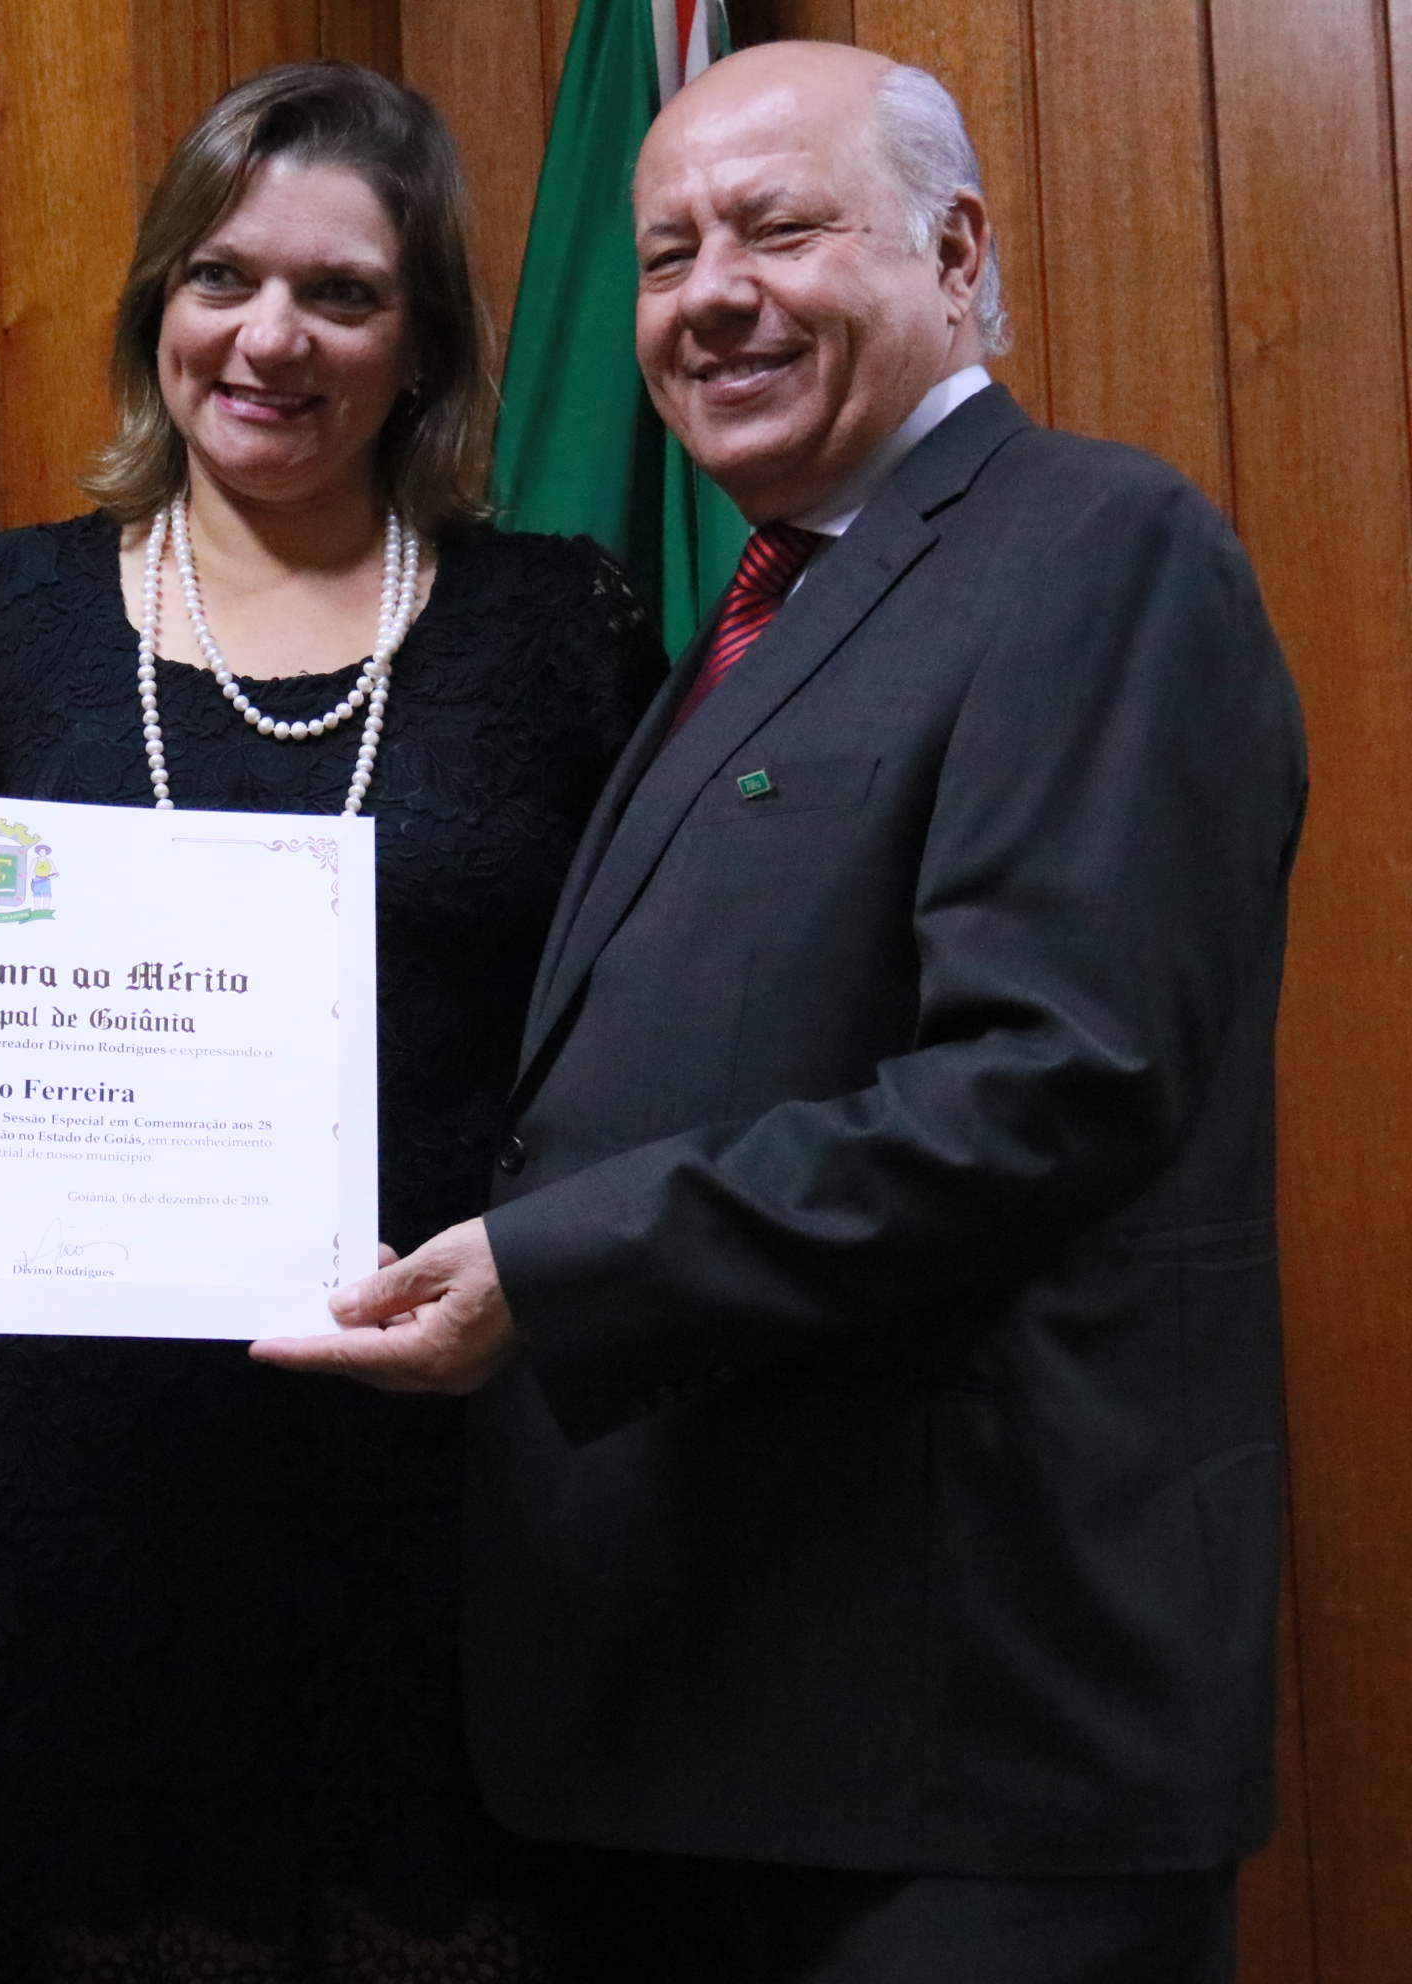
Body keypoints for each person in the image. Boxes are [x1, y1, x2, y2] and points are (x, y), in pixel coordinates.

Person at [259, 43, 1304, 1984]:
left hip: (969, 1754)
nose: (709, 296)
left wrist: (553, 1273)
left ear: (957, 252)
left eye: (778, 229)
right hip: (711, 1727)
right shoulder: (768, 615)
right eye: (666, 255)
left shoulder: (1095, 549)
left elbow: (1049, 1082)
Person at [0, 63, 663, 1983]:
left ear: (423, 347)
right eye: (222, 277)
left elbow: (642, 1025)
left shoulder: (557, 624)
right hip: (85, 1492)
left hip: (455, 1477)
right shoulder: (8, 616)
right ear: (156, 304)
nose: (271, 339)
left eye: (342, 294)